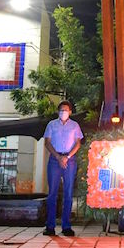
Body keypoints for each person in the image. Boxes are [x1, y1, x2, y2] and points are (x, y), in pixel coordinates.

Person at [43, 100, 83, 237]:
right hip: (55, 160)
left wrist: (67, 156)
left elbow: (78, 143)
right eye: (61, 110)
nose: (63, 112)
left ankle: (66, 226)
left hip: (70, 160)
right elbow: (47, 142)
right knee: (52, 193)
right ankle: (50, 226)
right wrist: (58, 157)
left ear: (70, 112)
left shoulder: (75, 125)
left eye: (66, 110)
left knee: (68, 193)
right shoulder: (51, 125)